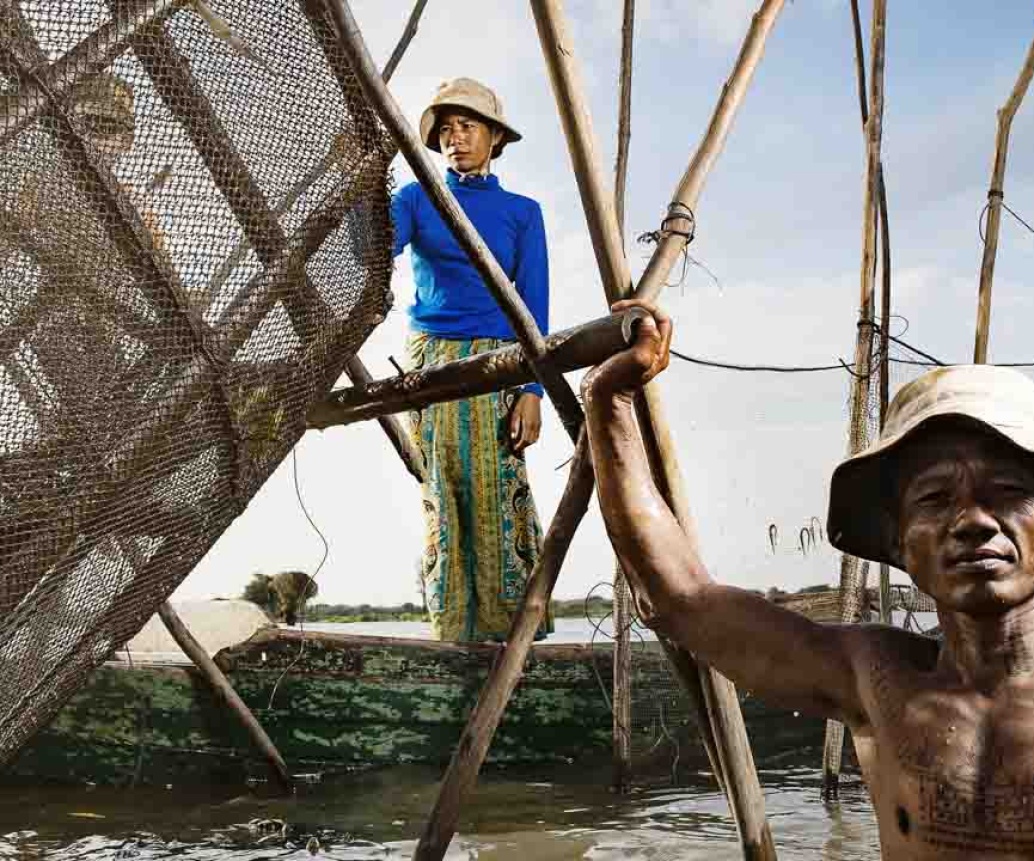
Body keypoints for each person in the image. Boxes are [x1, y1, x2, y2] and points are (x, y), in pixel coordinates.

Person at [584, 300, 1034, 859]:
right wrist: (609, 401)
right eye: (936, 499)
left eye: (1010, 491)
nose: (972, 521)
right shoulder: (877, 676)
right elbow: (679, 598)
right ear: (898, 542)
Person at [391, 78, 549, 642]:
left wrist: (533, 392)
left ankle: (512, 632)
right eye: (447, 129)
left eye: (469, 126)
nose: (456, 138)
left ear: (495, 137)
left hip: (501, 362)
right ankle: (452, 632)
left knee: (500, 485)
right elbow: (372, 246)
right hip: (430, 361)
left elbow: (535, 307)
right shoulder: (416, 199)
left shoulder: (522, 212)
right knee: (443, 487)